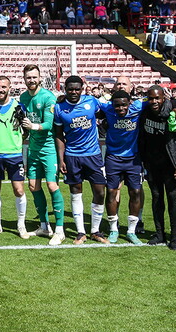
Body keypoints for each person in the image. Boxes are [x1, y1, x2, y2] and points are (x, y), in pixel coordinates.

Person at [54, 76, 109, 244]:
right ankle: (80, 232)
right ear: (65, 89)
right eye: (70, 89)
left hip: (93, 155)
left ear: (82, 89)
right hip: (72, 156)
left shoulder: (92, 102)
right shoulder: (59, 108)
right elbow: (58, 135)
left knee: (100, 192)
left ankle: (95, 231)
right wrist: (61, 159)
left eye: (77, 89)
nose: (74, 92)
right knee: (76, 193)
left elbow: (111, 109)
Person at [140, 85, 176, 250]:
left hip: (171, 163)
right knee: (156, 197)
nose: (154, 101)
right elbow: (141, 137)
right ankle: (159, 234)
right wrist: (143, 160)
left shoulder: (175, 113)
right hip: (152, 163)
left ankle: (175, 237)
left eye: (157, 98)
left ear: (164, 98)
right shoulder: (144, 112)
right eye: (151, 98)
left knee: (172, 197)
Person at [19, 64, 65, 245]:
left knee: (52, 186)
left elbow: (48, 124)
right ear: (24, 79)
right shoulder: (23, 97)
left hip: (49, 149)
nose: (31, 80)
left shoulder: (47, 97)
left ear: (39, 78)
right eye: (28, 77)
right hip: (33, 148)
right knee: (33, 186)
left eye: (34, 77)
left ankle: (60, 230)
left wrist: (33, 126)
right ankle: (44, 226)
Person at [0, 76, 30, 238]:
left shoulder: (19, 107)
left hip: (15, 154)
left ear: (10, 88)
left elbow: (26, 130)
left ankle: (21, 225)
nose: (0, 90)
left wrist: (16, 141)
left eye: (3, 87)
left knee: (19, 190)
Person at [98, 89, 145, 245]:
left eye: (124, 105)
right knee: (111, 192)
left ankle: (131, 231)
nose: (120, 108)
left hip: (133, 158)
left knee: (136, 192)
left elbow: (157, 99)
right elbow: (90, 100)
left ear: (129, 103)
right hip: (113, 158)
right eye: (117, 105)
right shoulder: (107, 108)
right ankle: (113, 229)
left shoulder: (138, 106)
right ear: (112, 105)